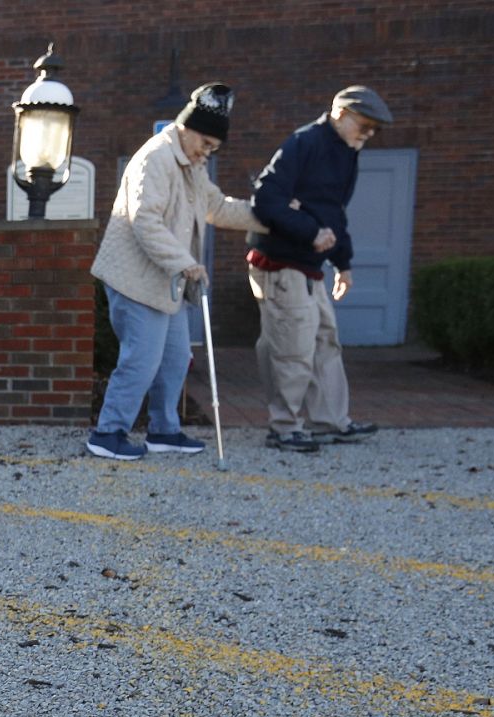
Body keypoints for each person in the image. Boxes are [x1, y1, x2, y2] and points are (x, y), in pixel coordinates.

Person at [86, 83, 265, 461]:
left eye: (214, 148)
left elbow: (216, 207)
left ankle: (164, 430)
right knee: (141, 359)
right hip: (136, 279)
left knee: (176, 356)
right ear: (185, 127)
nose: (206, 152)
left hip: (167, 281)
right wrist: (184, 263)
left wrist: (272, 217)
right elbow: (145, 220)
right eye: (204, 142)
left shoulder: (192, 166)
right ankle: (108, 433)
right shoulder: (155, 159)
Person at [247, 85, 393, 452]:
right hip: (279, 263)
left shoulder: (346, 152)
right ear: (341, 114)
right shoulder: (304, 143)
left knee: (325, 342)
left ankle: (330, 421)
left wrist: (343, 263)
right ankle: (284, 427)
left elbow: (334, 212)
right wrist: (311, 233)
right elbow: (265, 199)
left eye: (374, 130)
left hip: (309, 267)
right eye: (364, 126)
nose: (368, 135)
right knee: (291, 347)